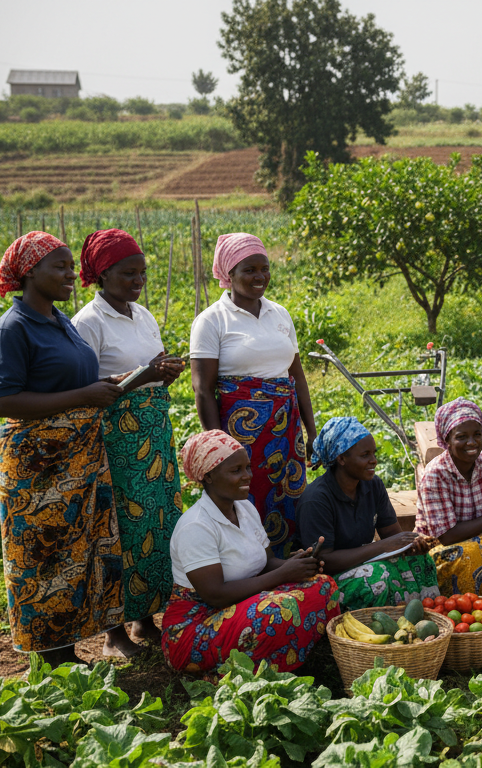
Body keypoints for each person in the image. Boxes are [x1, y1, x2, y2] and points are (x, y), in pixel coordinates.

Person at [0, 231, 158, 665]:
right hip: (37, 461)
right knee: (41, 557)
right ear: (28, 273)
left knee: (75, 553)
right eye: (59, 266)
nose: (70, 274)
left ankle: (65, 651)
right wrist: (82, 398)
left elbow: (81, 382)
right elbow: (4, 401)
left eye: (69, 265)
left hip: (76, 453)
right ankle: (50, 657)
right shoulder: (13, 329)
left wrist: (131, 380)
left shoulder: (59, 322)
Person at [73, 228, 186, 654]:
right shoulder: (88, 323)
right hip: (117, 438)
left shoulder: (143, 315)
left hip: (153, 432)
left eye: (142, 272)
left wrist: (161, 370)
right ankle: (113, 633)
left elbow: (146, 368)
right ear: (102, 274)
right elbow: (86, 386)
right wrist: (147, 374)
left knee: (156, 525)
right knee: (119, 526)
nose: (137, 281)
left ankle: (145, 619)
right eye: (127, 273)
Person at [162, 430, 341, 675]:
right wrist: (283, 575)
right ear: (208, 476)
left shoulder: (244, 507)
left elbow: (266, 562)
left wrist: (298, 564)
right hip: (196, 625)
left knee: (323, 585)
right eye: (236, 471)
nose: (247, 476)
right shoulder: (196, 526)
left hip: (242, 604)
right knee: (275, 611)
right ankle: (244, 673)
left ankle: (276, 660)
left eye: (247, 467)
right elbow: (215, 596)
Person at [189, 233, 315, 554]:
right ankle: (251, 572)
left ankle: (290, 566)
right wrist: (218, 447)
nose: (259, 277)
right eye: (249, 270)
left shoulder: (280, 314)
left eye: (264, 268)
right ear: (228, 274)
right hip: (239, 432)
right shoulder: (211, 321)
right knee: (246, 497)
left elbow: (297, 377)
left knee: (290, 496)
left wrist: (310, 431)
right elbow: (203, 389)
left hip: (286, 429)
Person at [297, 417, 440, 609]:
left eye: (374, 453)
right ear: (341, 459)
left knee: (420, 560)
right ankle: (383, 628)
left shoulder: (373, 485)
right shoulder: (317, 499)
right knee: (375, 579)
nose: (374, 460)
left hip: (365, 561)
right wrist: (383, 546)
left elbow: (392, 534)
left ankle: (424, 617)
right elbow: (324, 561)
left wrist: (412, 544)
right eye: (365, 455)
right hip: (327, 578)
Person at [416, 398, 482, 597]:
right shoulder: (435, 474)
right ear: (446, 440)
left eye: (477, 434)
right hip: (441, 549)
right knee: (468, 552)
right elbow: (447, 536)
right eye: (461, 437)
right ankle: (461, 602)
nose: (472, 443)